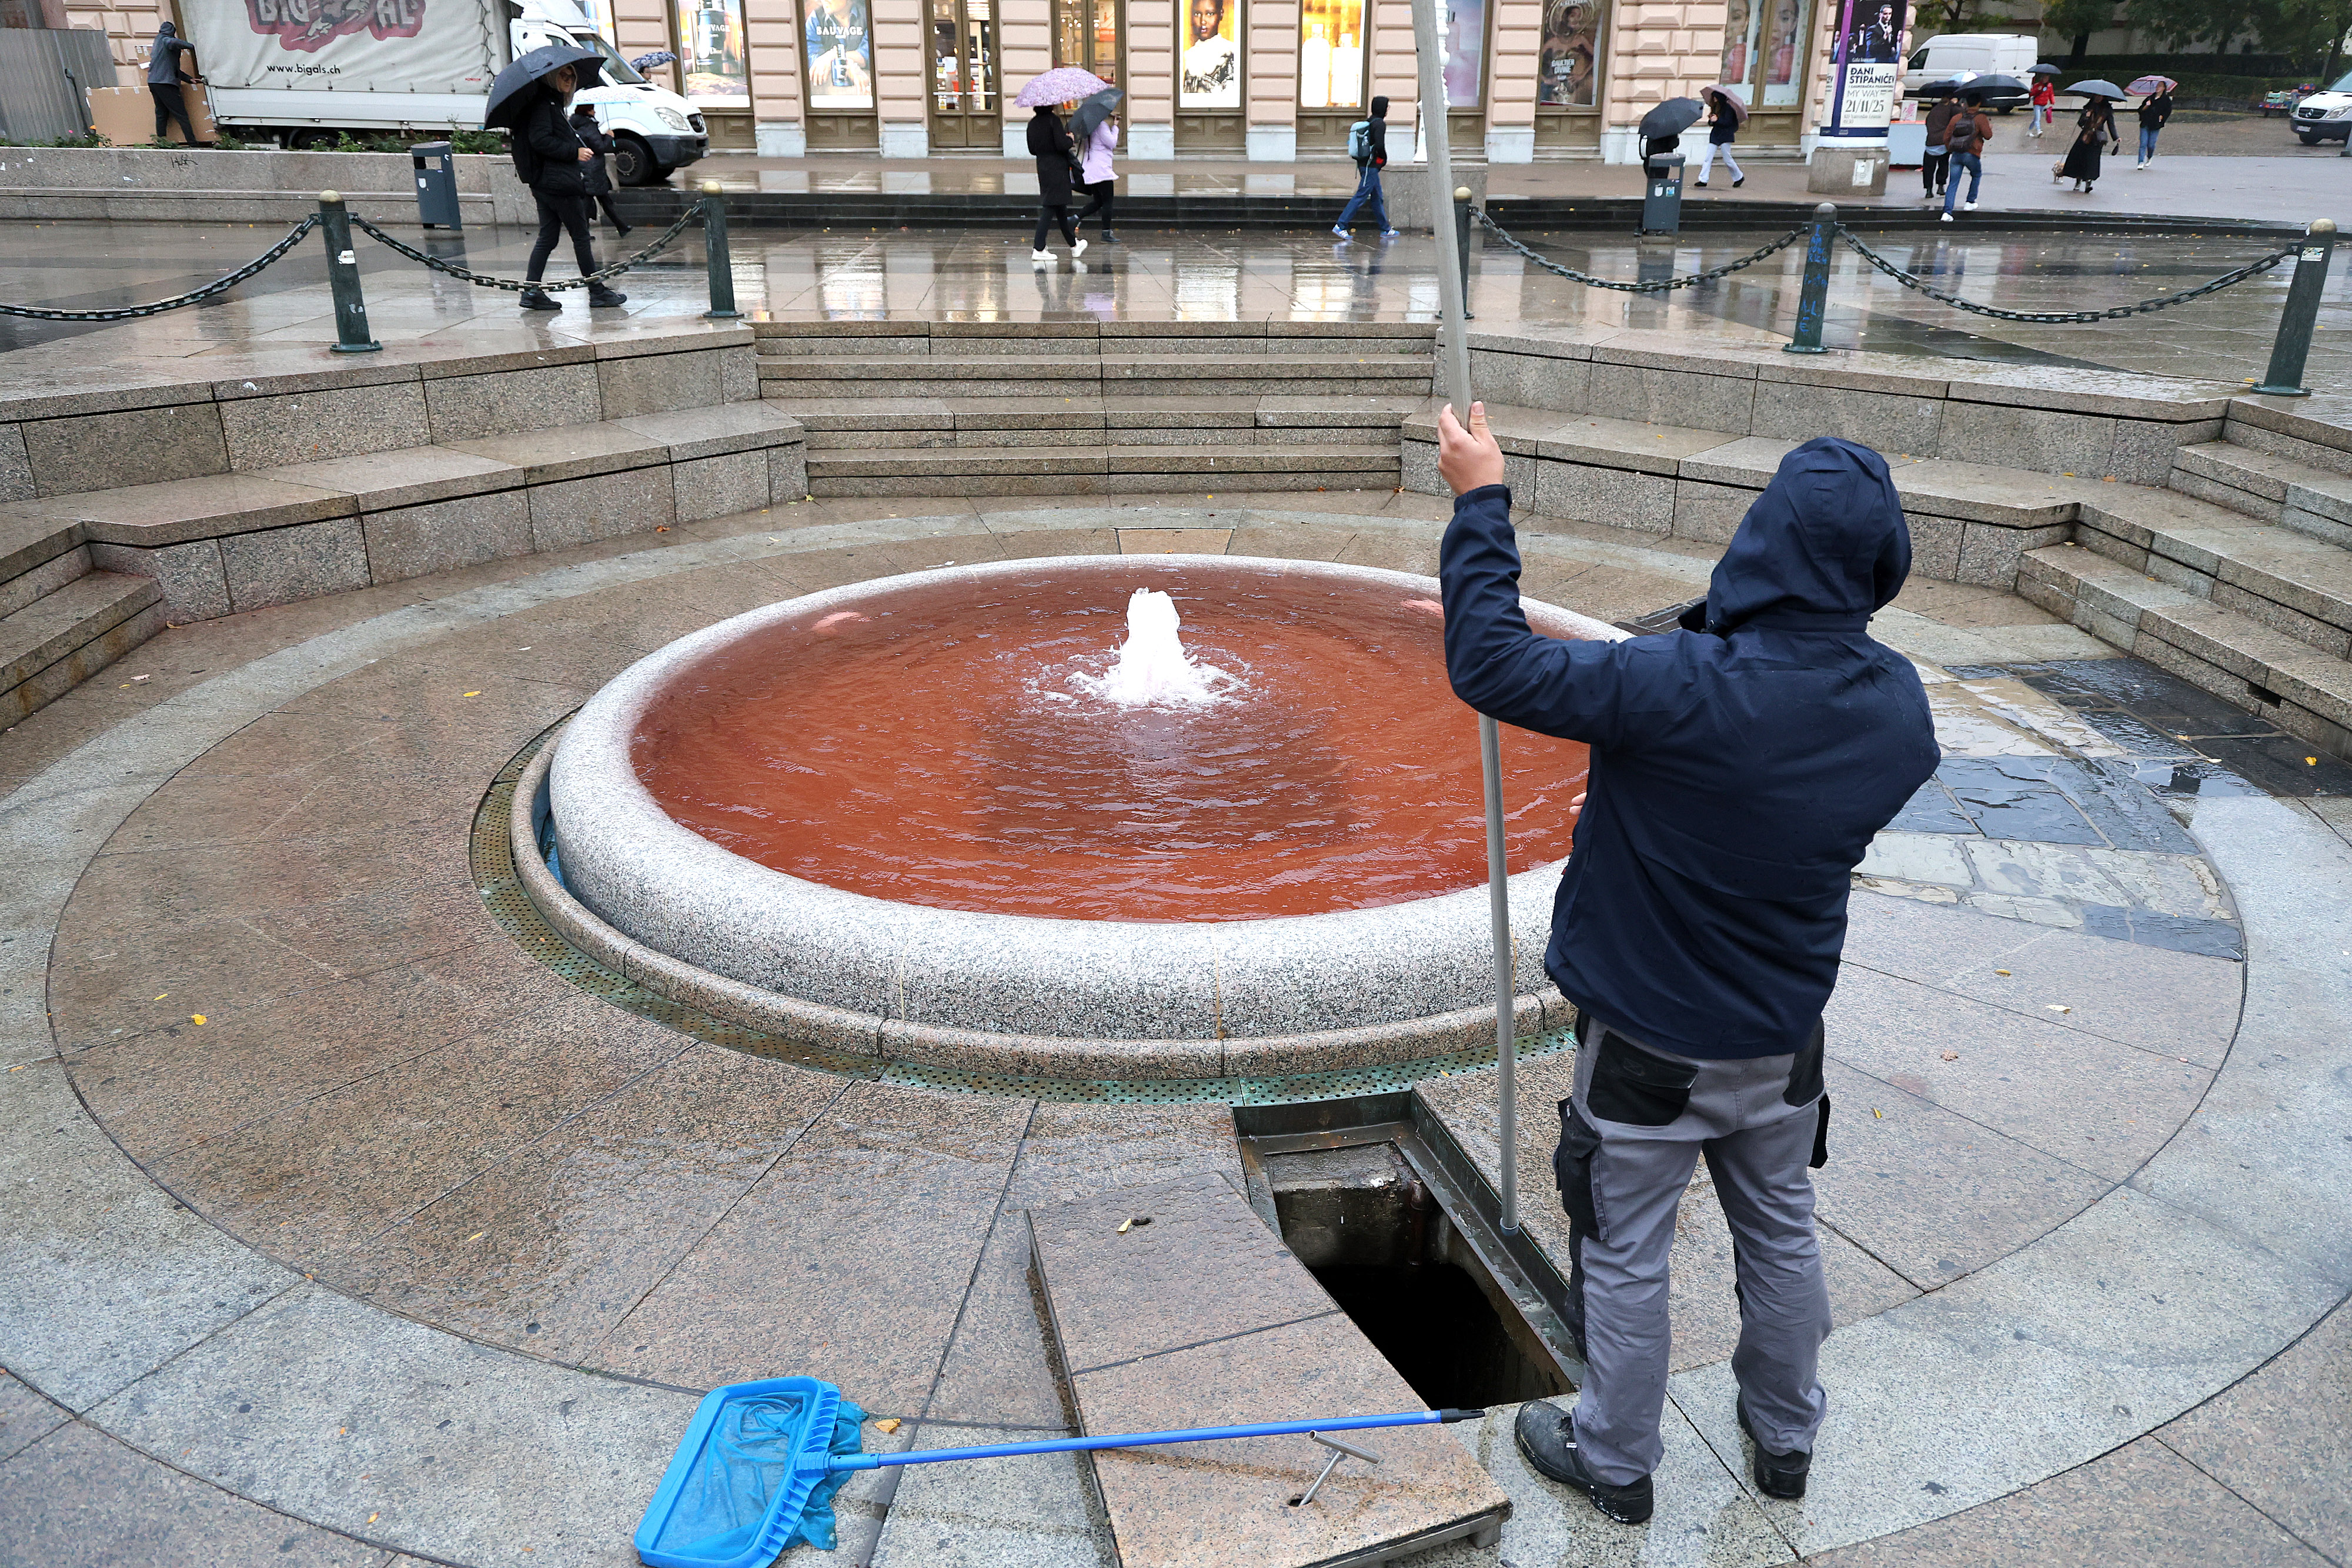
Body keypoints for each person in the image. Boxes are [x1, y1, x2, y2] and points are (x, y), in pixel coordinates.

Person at [1431, 400, 1936, 1526]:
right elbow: (1727, 697)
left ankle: (1615, 1458)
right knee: (1781, 1229)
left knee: (1622, 1250)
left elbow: (1491, 664)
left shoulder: (1674, 688)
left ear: (1761, 542)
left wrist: (1480, 501)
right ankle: (1787, 1436)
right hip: (1782, 1041)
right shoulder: (1899, 712)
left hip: (1651, 1045)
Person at [515, 65, 627, 312]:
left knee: (548, 237)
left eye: (571, 77)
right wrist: (573, 152)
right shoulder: (544, 105)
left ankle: (532, 291)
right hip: (559, 184)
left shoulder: (551, 104)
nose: (568, 81)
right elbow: (541, 140)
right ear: (550, 78)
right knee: (581, 237)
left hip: (548, 183)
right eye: (562, 76)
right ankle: (597, 292)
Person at [1332, 95, 1399, 240]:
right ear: (1383, 108)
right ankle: (1341, 225)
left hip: (1365, 164)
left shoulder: (1369, 122)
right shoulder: (1380, 124)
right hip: (1371, 166)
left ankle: (1385, 229)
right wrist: (1384, 159)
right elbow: (1380, 146)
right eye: (1387, 107)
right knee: (1362, 195)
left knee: (1377, 197)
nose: (1388, 109)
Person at [1028, 102, 1085, 262]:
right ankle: (1039, 248)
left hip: (1044, 168)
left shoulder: (1032, 123)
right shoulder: (1053, 120)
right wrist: (1070, 139)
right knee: (1050, 207)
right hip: (1057, 169)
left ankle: (1074, 245)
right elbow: (1062, 145)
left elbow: (1032, 149)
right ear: (1050, 106)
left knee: (1059, 207)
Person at [570, 103, 633, 237]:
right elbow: (600, 148)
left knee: (600, 200)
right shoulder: (589, 126)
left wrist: (602, 136)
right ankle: (585, 233)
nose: (595, 112)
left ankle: (621, 226)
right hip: (594, 170)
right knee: (594, 202)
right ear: (587, 111)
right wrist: (609, 137)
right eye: (593, 109)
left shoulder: (575, 125)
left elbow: (590, 142)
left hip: (584, 168)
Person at [146, 21, 205, 147]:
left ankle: (161, 142)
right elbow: (172, 42)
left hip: (154, 82)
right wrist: (192, 46)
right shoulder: (166, 40)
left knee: (161, 114)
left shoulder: (158, 42)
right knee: (181, 114)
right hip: (165, 84)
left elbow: (170, 68)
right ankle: (193, 144)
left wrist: (189, 79)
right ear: (172, 31)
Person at [1939, 94, 1990, 222]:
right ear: (1979, 104)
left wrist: (1951, 149)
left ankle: (1947, 213)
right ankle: (1970, 202)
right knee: (1976, 174)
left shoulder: (1957, 117)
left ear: (1966, 104)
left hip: (1957, 154)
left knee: (1953, 183)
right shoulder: (1981, 118)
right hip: (1972, 153)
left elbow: (1946, 137)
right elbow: (1988, 136)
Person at [1075, 111, 1118, 243]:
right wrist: (1115, 127)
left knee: (1099, 201)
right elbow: (1112, 143)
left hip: (1091, 168)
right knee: (1107, 201)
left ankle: (1074, 219)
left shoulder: (1088, 128)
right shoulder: (1101, 126)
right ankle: (1106, 233)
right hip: (1102, 169)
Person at [2060, 95, 2118, 192]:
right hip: (2085, 136)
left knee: (2092, 161)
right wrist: (2086, 117)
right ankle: (2078, 181)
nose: (2098, 98)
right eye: (2096, 96)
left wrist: (2116, 137)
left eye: (2100, 96)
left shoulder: (2107, 110)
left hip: (2097, 139)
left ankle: (2088, 183)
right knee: (2080, 158)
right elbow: (2080, 123)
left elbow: (2111, 124)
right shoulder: (2088, 107)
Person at [1695, 89, 1743, 188]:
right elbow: (1713, 123)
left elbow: (1727, 123)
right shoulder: (1715, 108)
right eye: (1714, 98)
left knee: (1727, 159)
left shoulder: (1729, 108)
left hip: (1726, 135)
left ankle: (1739, 177)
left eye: (1716, 98)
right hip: (1716, 135)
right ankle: (1703, 180)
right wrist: (1712, 120)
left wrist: (1717, 120)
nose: (1714, 100)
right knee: (1708, 158)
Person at [1920, 90, 1958, 201]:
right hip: (1943, 143)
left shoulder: (1935, 109)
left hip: (1931, 142)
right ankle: (1941, 187)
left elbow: (1927, 122)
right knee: (1943, 165)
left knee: (1928, 168)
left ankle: (1928, 190)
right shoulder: (1952, 108)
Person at [2136, 85, 2173, 167]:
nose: (2157, 88)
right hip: (2145, 123)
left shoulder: (2166, 100)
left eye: (2160, 86)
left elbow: (2168, 111)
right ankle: (2141, 162)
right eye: (2157, 86)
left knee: (2151, 144)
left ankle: (2149, 157)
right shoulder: (2150, 98)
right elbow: (2140, 110)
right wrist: (2147, 106)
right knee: (2143, 143)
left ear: (2164, 88)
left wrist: (2162, 117)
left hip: (2156, 125)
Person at [2028, 72, 2056, 137]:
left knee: (2035, 119)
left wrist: (2052, 101)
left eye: (2047, 78)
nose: (2045, 79)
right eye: (2044, 78)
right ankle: (2039, 131)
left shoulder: (2050, 85)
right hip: (2037, 104)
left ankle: (2029, 131)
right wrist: (2038, 90)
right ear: (2042, 78)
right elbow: (2031, 94)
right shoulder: (2037, 85)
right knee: (2038, 119)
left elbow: (2051, 94)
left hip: (2043, 104)